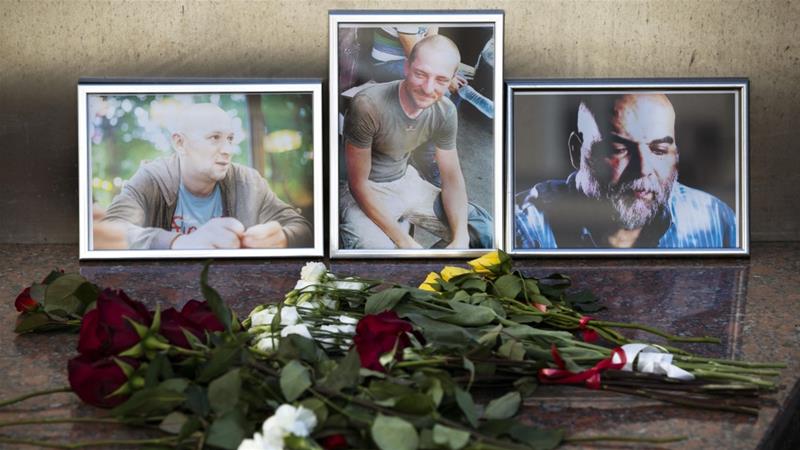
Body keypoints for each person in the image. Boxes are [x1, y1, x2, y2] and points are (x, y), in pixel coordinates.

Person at [515, 94, 737, 249]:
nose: (643, 169)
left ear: (676, 155)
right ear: (576, 151)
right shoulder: (524, 226)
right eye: (618, 149)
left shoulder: (715, 219)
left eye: (659, 150)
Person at [340, 34, 492, 250]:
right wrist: (405, 242)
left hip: (406, 181)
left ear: (452, 80)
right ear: (406, 68)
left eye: (441, 79)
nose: (429, 88)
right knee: (376, 254)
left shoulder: (445, 111)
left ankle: (433, 274)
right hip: (366, 190)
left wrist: (460, 239)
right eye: (421, 74)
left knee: (482, 229)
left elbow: (452, 178)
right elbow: (358, 185)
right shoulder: (368, 105)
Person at [99, 103, 312, 250]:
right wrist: (180, 243)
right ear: (179, 143)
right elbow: (109, 232)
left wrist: (283, 238)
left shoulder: (249, 183)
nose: (228, 149)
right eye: (214, 138)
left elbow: (303, 229)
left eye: (229, 138)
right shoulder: (151, 179)